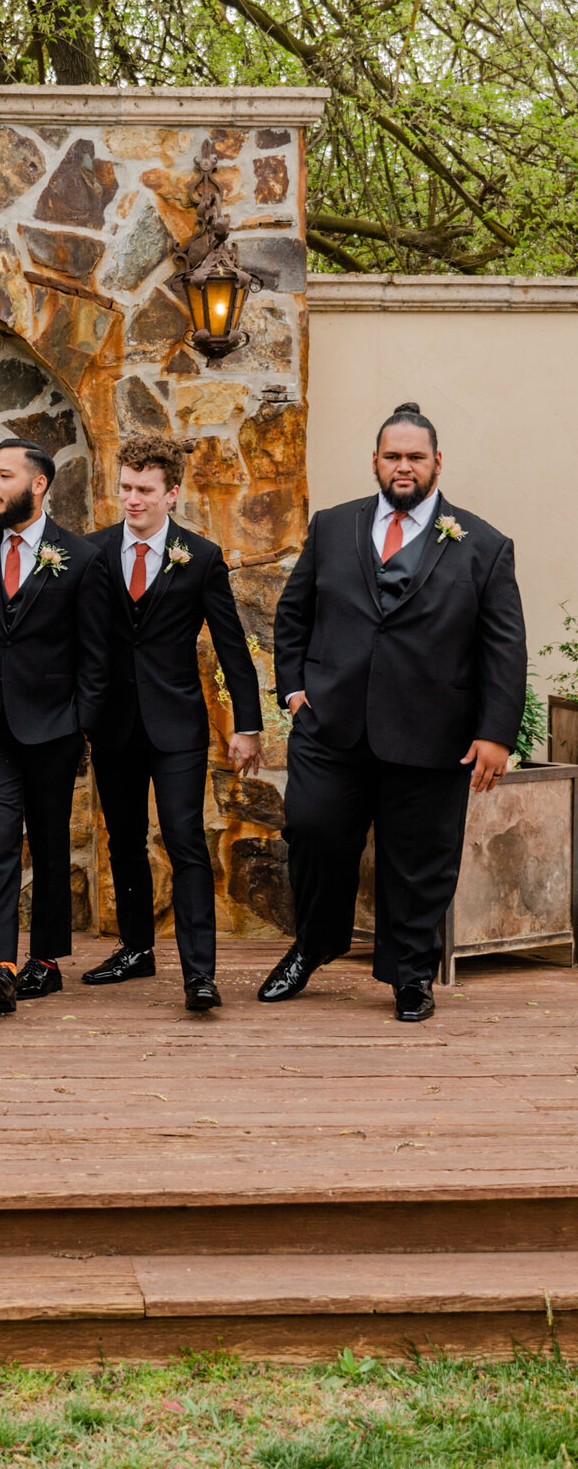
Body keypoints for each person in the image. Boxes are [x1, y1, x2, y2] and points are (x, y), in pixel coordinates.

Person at [264, 401, 527, 1022]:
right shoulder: (333, 527)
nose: (402, 466)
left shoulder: (484, 545)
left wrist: (495, 734)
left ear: (437, 462)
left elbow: (503, 646)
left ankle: (411, 975)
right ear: (375, 462)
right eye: (392, 456)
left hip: (432, 733)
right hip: (332, 726)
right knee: (314, 831)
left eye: (415, 456)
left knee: (420, 860)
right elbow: (294, 613)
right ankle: (313, 944)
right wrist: (295, 691)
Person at [85, 434, 263, 1012]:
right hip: (112, 724)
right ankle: (136, 949)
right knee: (125, 842)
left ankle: (199, 975)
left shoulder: (201, 556)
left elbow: (232, 648)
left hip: (177, 725)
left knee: (186, 842)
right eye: (126, 488)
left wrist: (248, 724)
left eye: (144, 490)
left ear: (172, 494)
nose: (132, 500)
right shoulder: (93, 552)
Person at [0, 440, 109, 1014]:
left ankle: (48, 959)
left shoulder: (79, 558)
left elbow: (96, 650)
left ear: (38, 485)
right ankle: (2, 964)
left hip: (55, 725)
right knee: (0, 839)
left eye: (4, 476)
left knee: (52, 839)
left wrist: (82, 721)